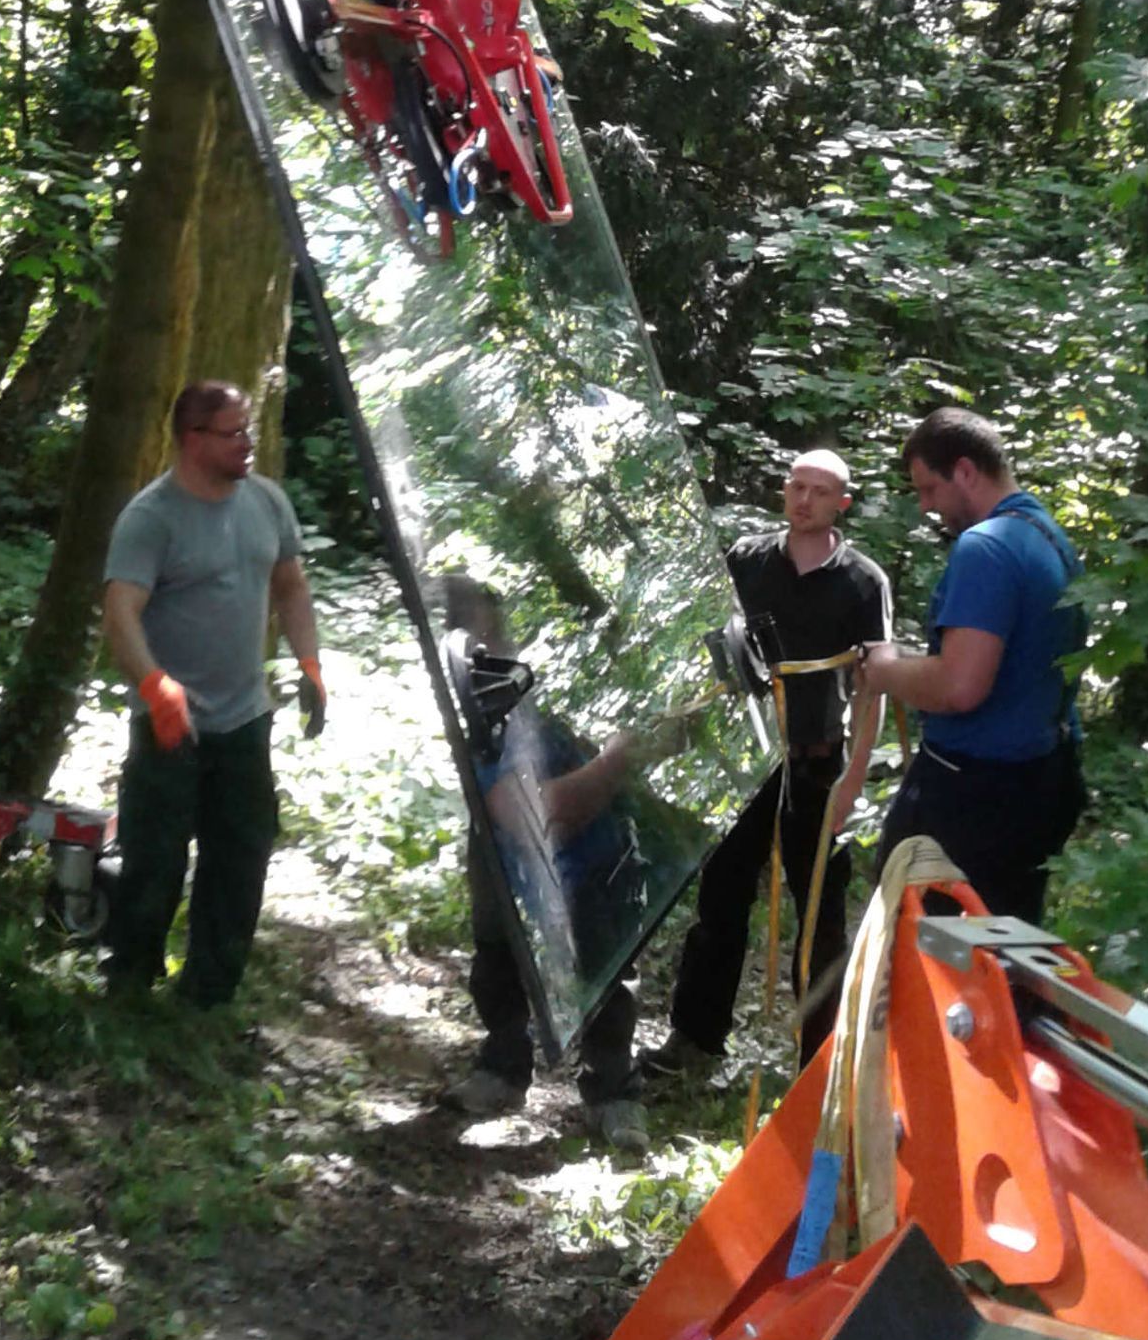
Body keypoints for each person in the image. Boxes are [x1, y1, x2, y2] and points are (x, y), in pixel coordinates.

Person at [645, 448, 891, 1082]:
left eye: (819, 491)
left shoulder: (864, 581)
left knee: (821, 919)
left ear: (843, 503)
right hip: (744, 765)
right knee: (721, 897)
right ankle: (695, 1042)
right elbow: (707, 648)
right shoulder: (747, 559)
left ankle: (819, 1066)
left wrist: (853, 780)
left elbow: (873, 687)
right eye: (796, 486)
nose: (803, 499)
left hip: (817, 768)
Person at [101, 379, 324, 1008]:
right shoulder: (152, 517)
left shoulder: (267, 502)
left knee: (241, 855)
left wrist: (309, 661)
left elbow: (291, 587)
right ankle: (128, 987)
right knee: (155, 860)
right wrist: (155, 685)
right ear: (192, 438)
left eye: (248, 429)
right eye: (233, 433)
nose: (248, 443)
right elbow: (120, 612)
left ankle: (207, 994)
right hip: (171, 722)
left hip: (245, 719)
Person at [440, 576, 667, 1154]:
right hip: (514, 859)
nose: (493, 641)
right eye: (475, 629)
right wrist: (620, 758)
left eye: (494, 623)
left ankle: (614, 1089)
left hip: (596, 867)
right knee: (498, 947)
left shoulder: (557, 683)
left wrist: (648, 743)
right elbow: (539, 814)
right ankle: (503, 1066)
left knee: (605, 968)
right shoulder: (482, 715)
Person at [858, 406, 1086, 924]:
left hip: (973, 795)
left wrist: (887, 668)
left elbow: (960, 686)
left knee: (920, 954)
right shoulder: (1050, 539)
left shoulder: (987, 548)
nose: (926, 506)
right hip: (1041, 782)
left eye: (929, 489)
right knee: (1003, 956)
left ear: (965, 471)